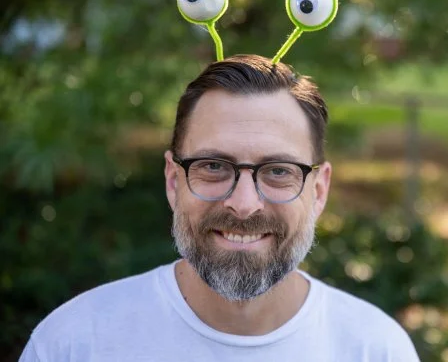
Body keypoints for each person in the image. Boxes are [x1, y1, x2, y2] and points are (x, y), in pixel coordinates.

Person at [19, 54, 421, 362]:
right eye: (213, 166)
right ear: (173, 180)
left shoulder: (375, 350)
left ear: (318, 191)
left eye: (278, 171)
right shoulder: (73, 344)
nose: (244, 205)